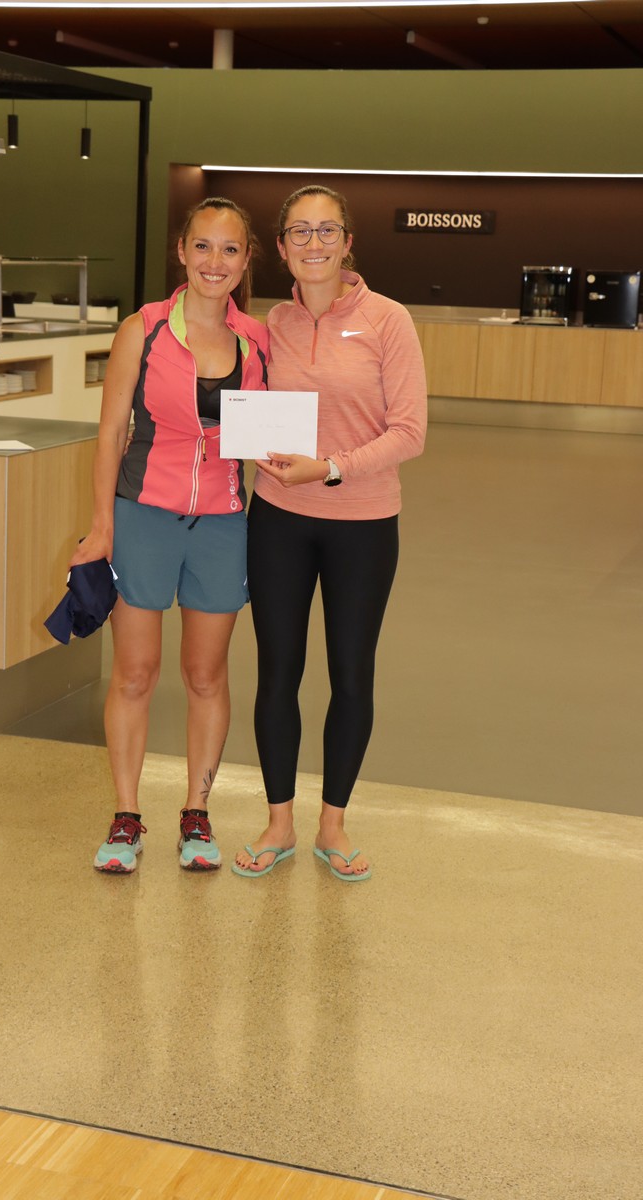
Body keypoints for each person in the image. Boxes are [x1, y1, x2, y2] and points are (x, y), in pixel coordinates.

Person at [233, 184, 426, 882]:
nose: (313, 243)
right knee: (277, 673)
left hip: (363, 526)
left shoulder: (388, 320)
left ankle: (333, 825)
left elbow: (410, 431)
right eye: (299, 231)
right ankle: (279, 821)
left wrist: (332, 468)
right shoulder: (269, 324)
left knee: (351, 674)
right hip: (278, 521)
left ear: (348, 243)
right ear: (281, 246)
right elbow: (249, 409)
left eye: (326, 231)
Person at [71, 197, 268, 874]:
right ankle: (126, 816)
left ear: (246, 260)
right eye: (202, 246)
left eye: (230, 249)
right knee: (134, 673)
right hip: (143, 517)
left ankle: (197, 813)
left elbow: (270, 435)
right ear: (182, 252)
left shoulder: (256, 341)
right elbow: (111, 433)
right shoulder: (144, 329)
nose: (215, 261)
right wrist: (103, 525)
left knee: (205, 675)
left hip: (223, 524)